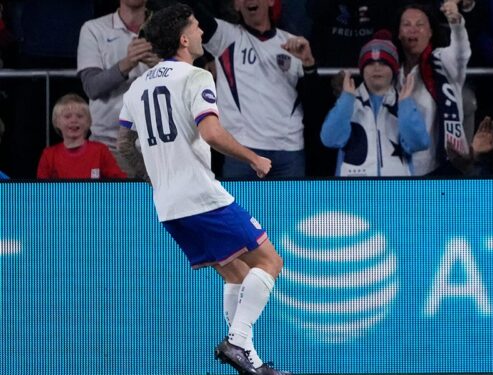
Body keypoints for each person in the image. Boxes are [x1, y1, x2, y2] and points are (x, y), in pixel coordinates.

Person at [117, 4, 288, 375]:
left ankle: (251, 362)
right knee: (270, 262)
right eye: (196, 28)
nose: (201, 34)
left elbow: (124, 143)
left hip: (167, 205)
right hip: (201, 196)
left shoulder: (137, 87)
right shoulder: (195, 77)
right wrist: (254, 158)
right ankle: (238, 342)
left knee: (236, 274)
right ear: (182, 38)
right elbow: (210, 133)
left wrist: (153, 175)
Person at [184, 0, 320, 179]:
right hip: (241, 152)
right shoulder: (225, 37)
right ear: (235, 5)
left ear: (272, 2)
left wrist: (309, 64)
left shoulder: (293, 44)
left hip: (289, 151)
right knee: (242, 209)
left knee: (290, 207)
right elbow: (192, 10)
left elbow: (315, 103)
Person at [320, 31, 430, 176]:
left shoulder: (403, 103)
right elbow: (330, 139)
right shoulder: (348, 102)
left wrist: (405, 105)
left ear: (393, 69)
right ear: (362, 69)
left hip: (396, 193)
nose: (377, 68)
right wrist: (346, 100)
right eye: (371, 63)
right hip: (354, 194)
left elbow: (418, 143)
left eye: (383, 63)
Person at [77, 0, 159, 178]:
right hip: (111, 147)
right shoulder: (94, 29)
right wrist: (128, 63)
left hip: (161, 147)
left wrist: (162, 65)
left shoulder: (166, 27)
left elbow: (186, 83)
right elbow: (93, 87)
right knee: (117, 206)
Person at [395, 1, 472, 176]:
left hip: (441, 167)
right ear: (399, 33)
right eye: (406, 24)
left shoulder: (444, 62)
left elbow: (461, 53)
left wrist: (456, 23)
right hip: (396, 170)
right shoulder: (390, 70)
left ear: (430, 32)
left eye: (420, 25)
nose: (413, 29)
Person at [36, 94, 126, 179]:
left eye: (80, 116)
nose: (74, 120)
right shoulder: (49, 155)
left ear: (89, 122)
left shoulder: (100, 151)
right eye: (67, 116)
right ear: (56, 122)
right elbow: (41, 192)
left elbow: (120, 185)